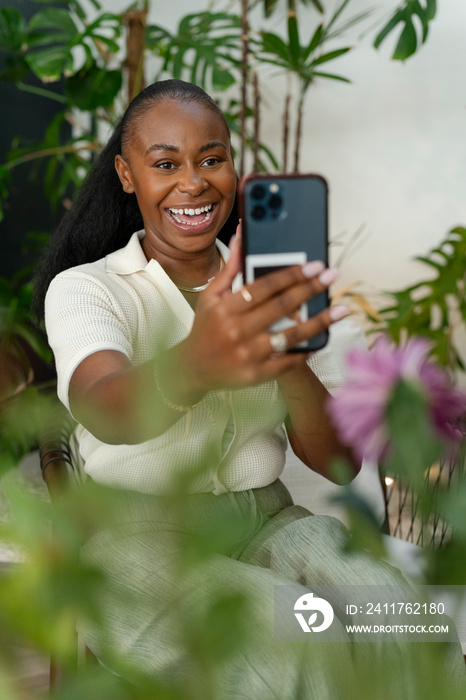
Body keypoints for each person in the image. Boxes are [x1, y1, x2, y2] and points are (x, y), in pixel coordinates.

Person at [35, 80, 464, 699]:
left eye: (212, 159)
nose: (194, 182)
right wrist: (197, 360)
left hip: (269, 522)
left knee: (404, 618)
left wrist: (289, 357)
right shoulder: (90, 288)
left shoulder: (282, 291)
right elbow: (105, 409)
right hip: (137, 541)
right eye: (165, 164)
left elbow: (338, 464)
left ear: (235, 168)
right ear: (128, 176)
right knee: (288, 646)